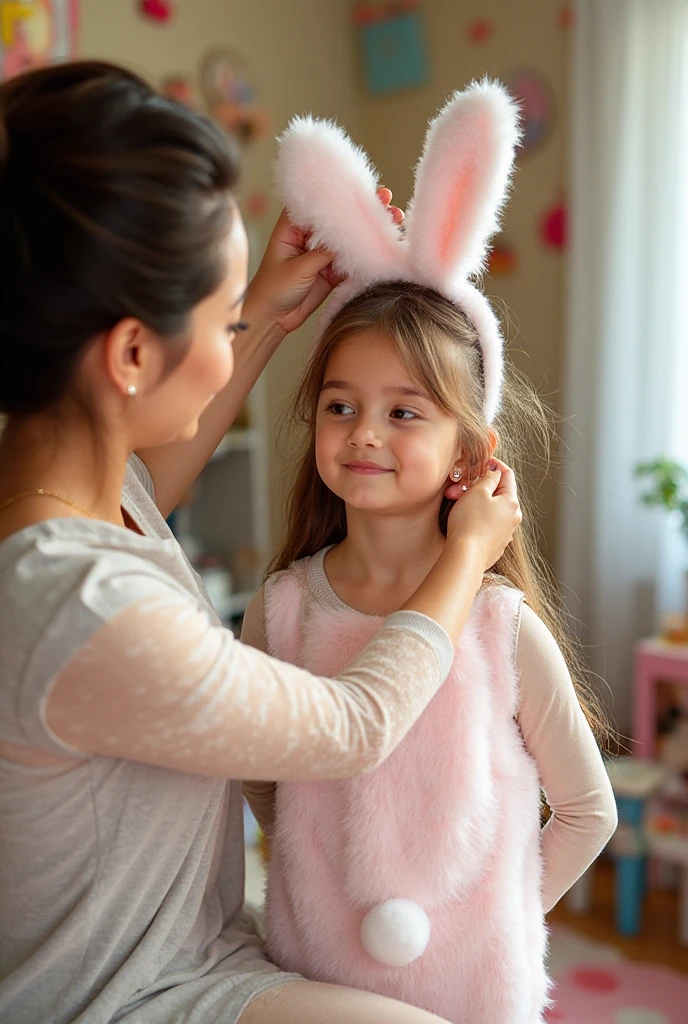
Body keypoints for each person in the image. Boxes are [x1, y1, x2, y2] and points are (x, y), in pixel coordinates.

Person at [0, 61, 522, 1024]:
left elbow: (147, 480)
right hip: (124, 996)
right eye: (219, 317)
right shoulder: (80, 606)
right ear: (130, 353)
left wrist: (270, 314)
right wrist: (465, 555)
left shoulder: (62, 502)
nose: (228, 348)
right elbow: (355, 727)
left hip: (193, 941)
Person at [241, 84, 618, 1023]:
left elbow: (587, 810)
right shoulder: (284, 607)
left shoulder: (496, 625)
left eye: (404, 411)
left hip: (472, 998)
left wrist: (496, 923)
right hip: (316, 979)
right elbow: (262, 777)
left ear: (466, 452)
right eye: (341, 405)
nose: (364, 431)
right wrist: (310, 885)